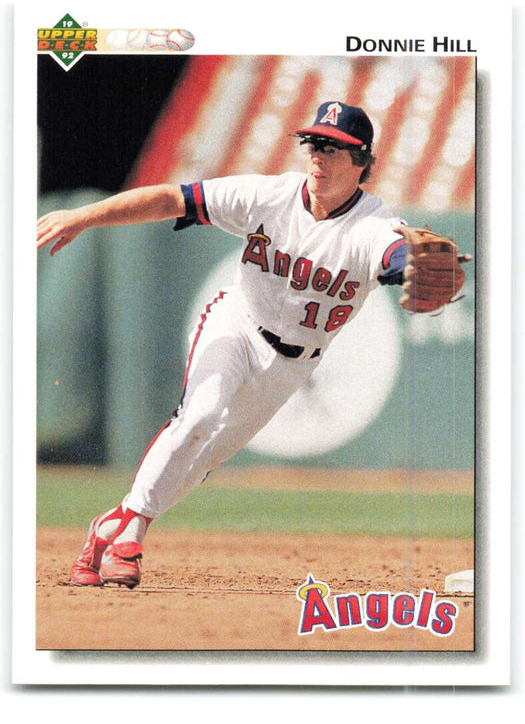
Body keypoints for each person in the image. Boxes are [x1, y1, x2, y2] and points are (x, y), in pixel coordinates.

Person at [37, 101, 408, 588]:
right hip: (238, 322)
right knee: (202, 414)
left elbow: (397, 256)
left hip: (293, 364)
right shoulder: (268, 195)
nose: (319, 156)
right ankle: (130, 536)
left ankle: (112, 524)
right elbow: (172, 198)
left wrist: (414, 270)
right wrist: (86, 215)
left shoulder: (371, 224)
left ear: (362, 162)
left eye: (335, 149)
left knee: (204, 458)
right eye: (314, 144)